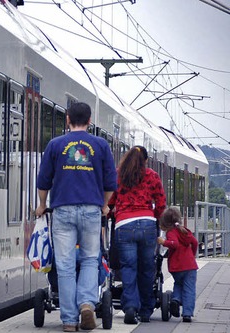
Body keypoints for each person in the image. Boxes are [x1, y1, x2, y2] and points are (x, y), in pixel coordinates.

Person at [36, 102, 118, 332]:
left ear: (68, 119)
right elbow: (111, 183)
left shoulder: (55, 145)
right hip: (92, 210)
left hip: (62, 210)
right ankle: (86, 304)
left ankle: (70, 320)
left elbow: (43, 181)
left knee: (65, 265)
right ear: (90, 121)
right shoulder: (101, 145)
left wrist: (42, 205)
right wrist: (104, 205)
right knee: (91, 259)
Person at [107, 145, 166, 324]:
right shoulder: (152, 175)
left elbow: (110, 201)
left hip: (124, 224)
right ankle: (146, 309)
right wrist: (154, 218)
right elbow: (161, 202)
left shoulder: (119, 175)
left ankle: (131, 307)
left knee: (128, 267)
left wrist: (112, 214)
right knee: (147, 267)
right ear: (146, 161)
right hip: (147, 224)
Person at [157, 207, 198, 323]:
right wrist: (192, 255)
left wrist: (163, 242)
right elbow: (194, 242)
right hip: (190, 266)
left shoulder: (171, 232)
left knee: (179, 284)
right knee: (189, 289)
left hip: (177, 267)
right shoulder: (184, 231)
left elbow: (174, 244)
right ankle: (187, 314)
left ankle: (175, 299)